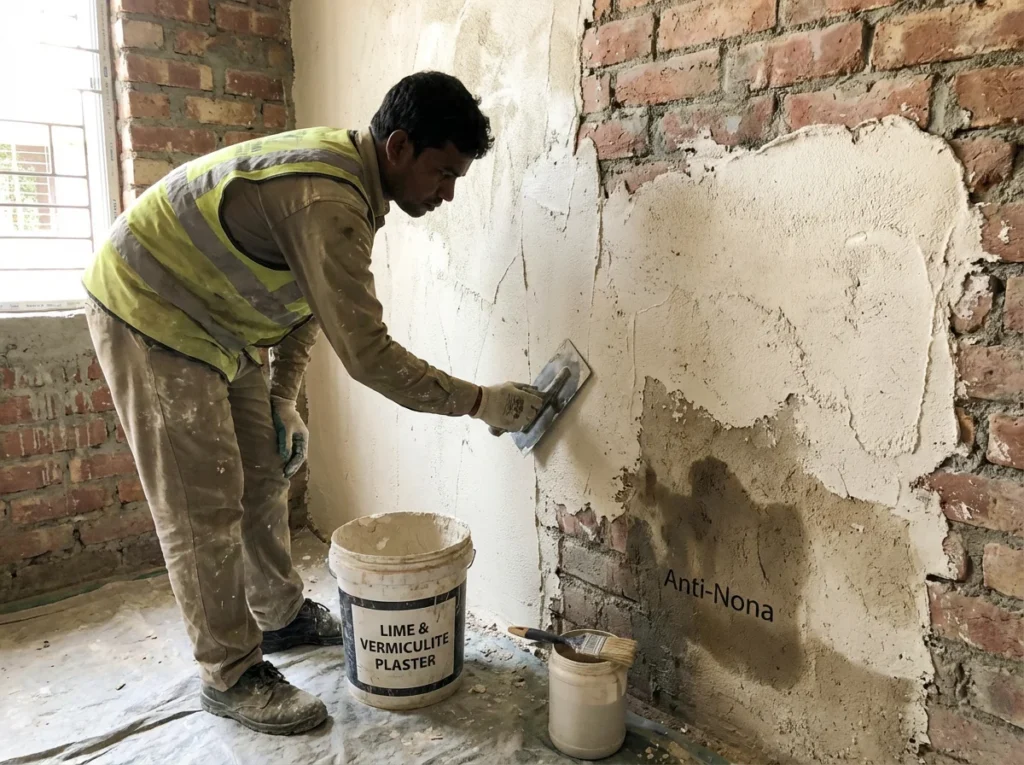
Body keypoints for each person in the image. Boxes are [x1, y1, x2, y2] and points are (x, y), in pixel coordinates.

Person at [82, 71, 544, 735]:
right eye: (443, 173)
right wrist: (482, 402)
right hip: (149, 302)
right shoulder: (327, 202)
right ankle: (230, 673)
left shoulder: (352, 187)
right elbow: (370, 358)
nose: (447, 194)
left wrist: (283, 397)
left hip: (221, 320)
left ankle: (279, 615)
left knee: (265, 468)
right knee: (202, 500)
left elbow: (306, 305)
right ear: (399, 147)